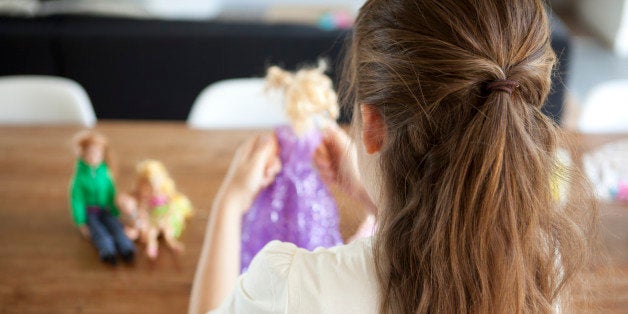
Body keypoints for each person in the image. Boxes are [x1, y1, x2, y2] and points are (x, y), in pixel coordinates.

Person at [189, 0, 598, 313]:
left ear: (371, 125)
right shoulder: (543, 264)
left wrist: (229, 204)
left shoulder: (292, 284)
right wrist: (379, 198)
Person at [69, 131, 135, 266]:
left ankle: (127, 249)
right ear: (83, 153)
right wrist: (81, 222)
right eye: (90, 153)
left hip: (106, 208)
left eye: (98, 153)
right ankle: (107, 252)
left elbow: (111, 191)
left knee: (117, 227)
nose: (94, 157)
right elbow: (77, 200)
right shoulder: (79, 178)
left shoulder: (105, 171)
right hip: (91, 212)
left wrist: (116, 210)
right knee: (99, 232)